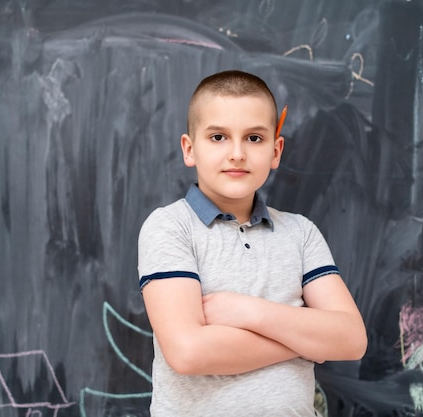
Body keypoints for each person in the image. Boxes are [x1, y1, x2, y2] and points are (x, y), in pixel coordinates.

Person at [137, 70, 367, 417]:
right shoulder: (170, 227)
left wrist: (245, 311)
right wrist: (304, 340)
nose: (237, 154)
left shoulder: (301, 233)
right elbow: (188, 353)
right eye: (217, 137)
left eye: (254, 139)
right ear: (189, 149)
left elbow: (351, 340)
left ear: (275, 151)